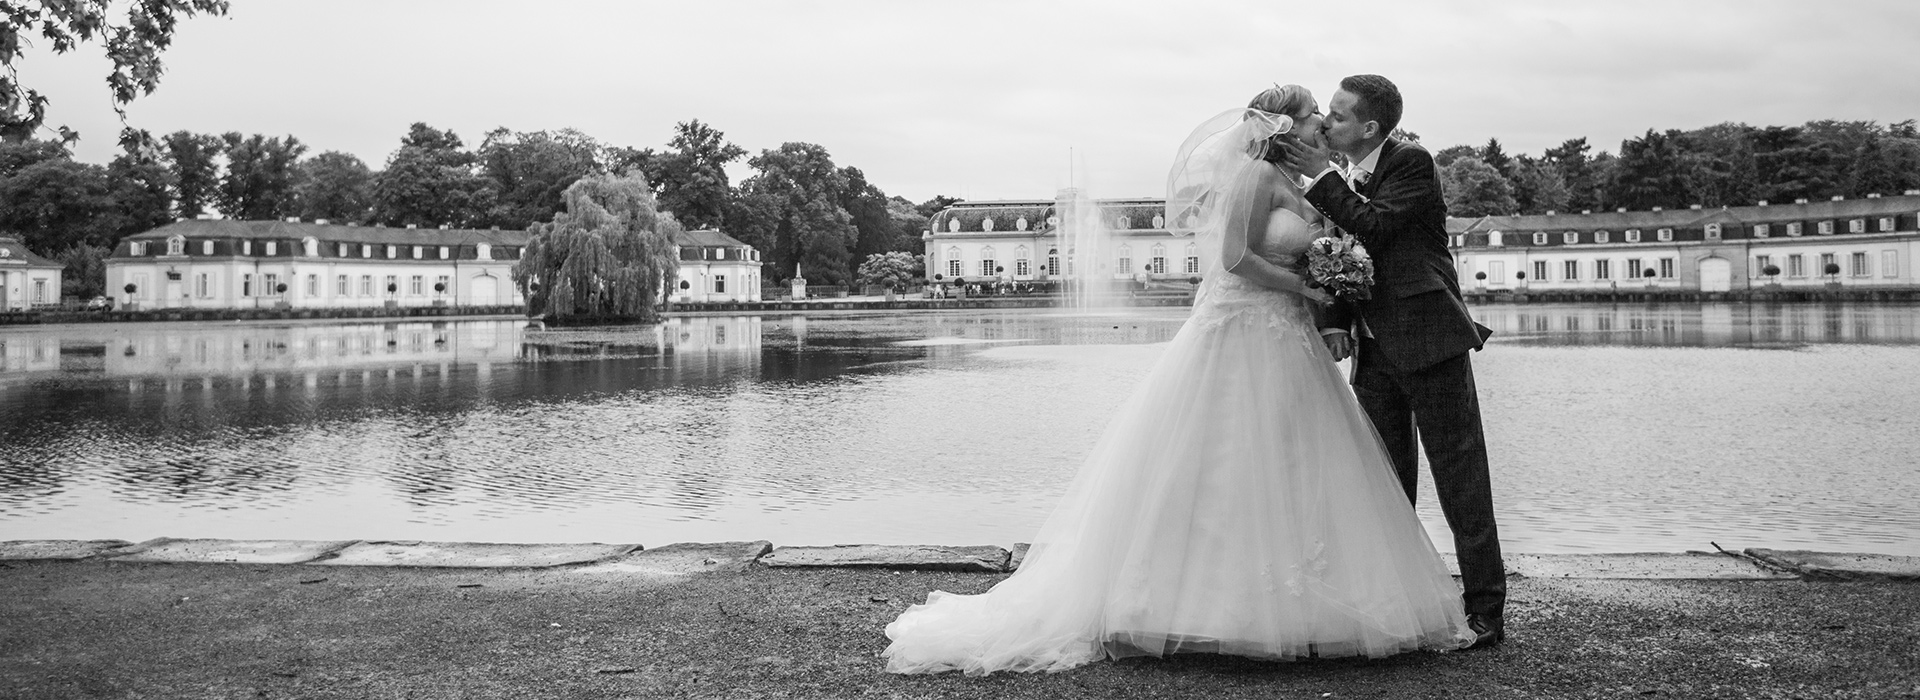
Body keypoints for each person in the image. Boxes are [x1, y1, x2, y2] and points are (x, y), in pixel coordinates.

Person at [882, 85, 1475, 676]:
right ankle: (1205, 604)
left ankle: (1313, 597)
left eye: (1331, 113)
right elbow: (1237, 259)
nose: (1323, 120)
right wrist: (1308, 286)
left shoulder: (1315, 181)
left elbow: (1355, 236)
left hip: (1292, 335)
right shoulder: (1253, 179)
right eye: (1314, 113)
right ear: (1281, 127)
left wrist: (1325, 297)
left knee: (1296, 462)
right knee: (1222, 459)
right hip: (1246, 328)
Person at [1275, 74, 1506, 649]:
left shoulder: (1410, 162)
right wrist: (1334, 321)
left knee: (1460, 477)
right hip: (1374, 349)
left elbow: (1373, 227)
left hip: (1431, 342)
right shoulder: (1346, 175)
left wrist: (1319, 176)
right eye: (1326, 113)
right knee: (1385, 481)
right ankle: (1405, 605)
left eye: (1339, 115)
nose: (1327, 123)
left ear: (1370, 127)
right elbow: (1337, 254)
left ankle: (1485, 612)